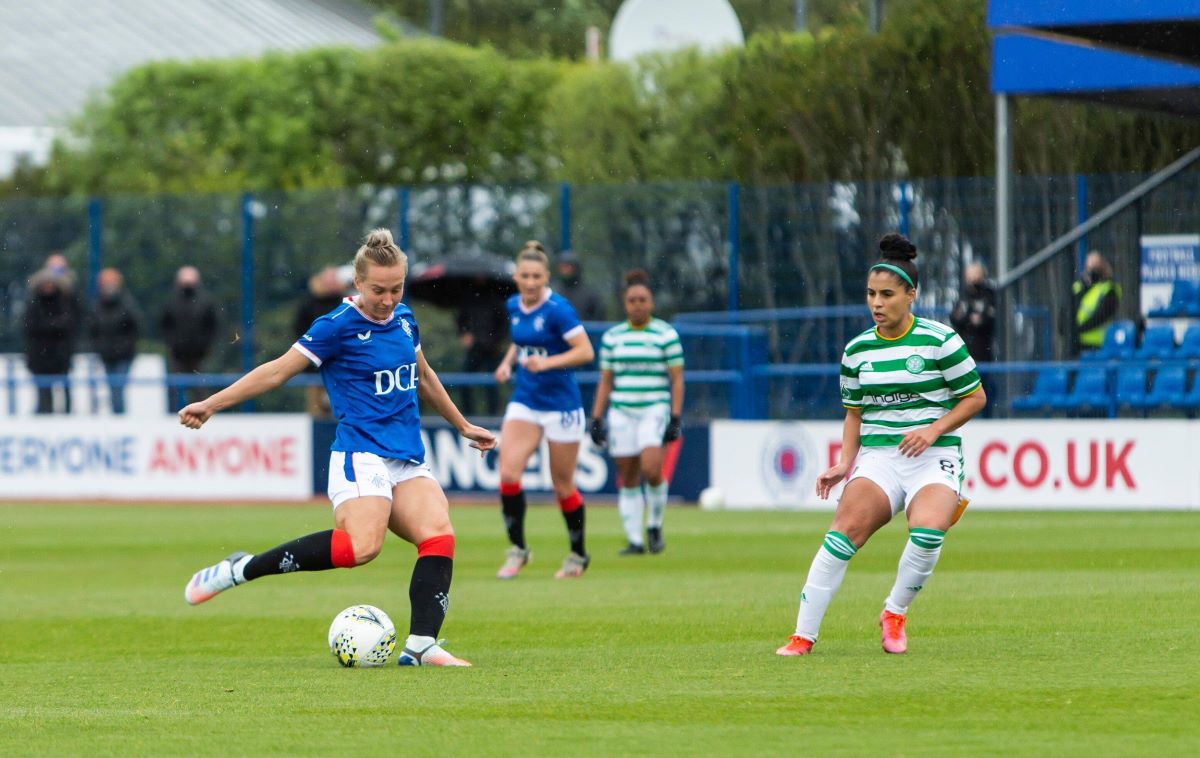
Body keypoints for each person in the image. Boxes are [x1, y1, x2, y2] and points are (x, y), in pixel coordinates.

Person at [180, 229, 495, 667]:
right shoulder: (336, 327)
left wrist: (462, 425)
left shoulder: (405, 319)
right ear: (358, 284)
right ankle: (242, 569)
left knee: (439, 534)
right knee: (362, 548)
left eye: (396, 289)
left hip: (405, 455)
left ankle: (422, 644)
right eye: (378, 290)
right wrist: (212, 404)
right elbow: (275, 372)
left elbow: (423, 376)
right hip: (360, 453)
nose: (387, 299)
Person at [777, 233, 987, 657]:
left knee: (927, 534)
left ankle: (894, 611)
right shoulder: (857, 352)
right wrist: (843, 463)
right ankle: (802, 636)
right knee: (842, 537)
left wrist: (932, 430)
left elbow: (976, 397)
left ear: (911, 295)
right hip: (880, 459)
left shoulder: (941, 341)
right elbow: (854, 415)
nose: (877, 302)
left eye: (887, 294)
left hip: (934, 457)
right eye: (871, 294)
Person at [493, 240, 596, 579]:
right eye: (526, 276)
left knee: (562, 486)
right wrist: (508, 363)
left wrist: (548, 362)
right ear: (516, 277)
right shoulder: (513, 304)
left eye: (538, 276)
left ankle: (578, 555)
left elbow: (585, 352)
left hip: (561, 406)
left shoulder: (559, 310)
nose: (532, 282)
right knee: (508, 474)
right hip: (526, 399)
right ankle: (518, 549)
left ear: (547, 276)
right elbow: (520, 341)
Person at [589, 269, 685, 555]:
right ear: (625, 303)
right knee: (628, 475)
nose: (637, 304)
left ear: (651, 302)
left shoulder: (665, 334)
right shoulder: (613, 338)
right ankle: (634, 539)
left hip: (654, 409)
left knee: (651, 470)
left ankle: (654, 524)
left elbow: (677, 378)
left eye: (642, 299)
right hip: (621, 412)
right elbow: (606, 381)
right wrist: (597, 417)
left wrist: (676, 416)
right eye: (632, 300)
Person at [24, 267, 81, 414]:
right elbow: (30, 327)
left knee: (65, 390)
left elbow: (68, 324)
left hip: (60, 355)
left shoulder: (65, 303)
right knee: (43, 394)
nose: (48, 288)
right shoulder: (34, 304)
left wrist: (46, 327)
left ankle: (67, 418)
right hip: (40, 357)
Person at [161, 266, 218, 409]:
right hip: (177, 354)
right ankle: (175, 416)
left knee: (200, 389)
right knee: (175, 390)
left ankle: (203, 413)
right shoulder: (171, 302)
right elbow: (164, 325)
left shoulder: (205, 302)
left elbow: (213, 326)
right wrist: (173, 344)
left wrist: (204, 345)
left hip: (199, 355)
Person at [292, 266, 345, 418]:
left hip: (339, 366)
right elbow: (298, 328)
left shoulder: (344, 302)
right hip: (314, 366)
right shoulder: (309, 303)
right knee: (316, 410)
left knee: (340, 409)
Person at [89, 267, 143, 415]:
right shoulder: (97, 305)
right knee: (112, 390)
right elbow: (93, 329)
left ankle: (119, 421)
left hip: (123, 355)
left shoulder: (127, 303)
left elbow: (135, 327)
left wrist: (125, 346)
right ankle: (116, 420)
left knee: (117, 390)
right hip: (106, 355)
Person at [456, 279, 508, 416]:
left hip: (492, 349)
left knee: (493, 384)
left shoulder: (497, 299)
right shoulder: (468, 298)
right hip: (474, 349)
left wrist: (495, 341)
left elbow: (504, 325)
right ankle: (468, 415)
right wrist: (464, 334)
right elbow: (461, 320)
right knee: (464, 382)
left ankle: (493, 415)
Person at [1071, 251, 1122, 355]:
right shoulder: (1082, 286)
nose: (1088, 271)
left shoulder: (1108, 289)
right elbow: (1070, 304)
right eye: (1088, 268)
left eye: (1093, 268)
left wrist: (1079, 329)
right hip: (1076, 342)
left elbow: (1101, 316)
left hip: (1097, 345)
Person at [949, 263, 996, 363]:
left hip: (982, 348)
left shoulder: (988, 295)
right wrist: (967, 319)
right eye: (969, 275)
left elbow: (990, 319)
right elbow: (955, 317)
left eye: (975, 275)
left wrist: (980, 320)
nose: (971, 279)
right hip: (964, 348)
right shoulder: (963, 295)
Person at [555, 251, 605, 321]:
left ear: (576, 268)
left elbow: (598, 322)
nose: (565, 270)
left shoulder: (590, 295)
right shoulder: (554, 292)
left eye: (568, 267)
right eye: (562, 267)